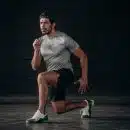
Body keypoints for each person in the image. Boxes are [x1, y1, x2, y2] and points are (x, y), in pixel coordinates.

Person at [26, 11, 94, 123]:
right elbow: (35, 66)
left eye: (46, 22)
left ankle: (41, 113)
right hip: (52, 77)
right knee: (59, 109)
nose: (42, 25)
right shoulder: (40, 41)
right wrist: (36, 50)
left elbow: (83, 56)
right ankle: (85, 104)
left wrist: (84, 78)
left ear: (53, 25)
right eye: (41, 23)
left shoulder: (63, 38)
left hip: (66, 73)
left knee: (41, 77)